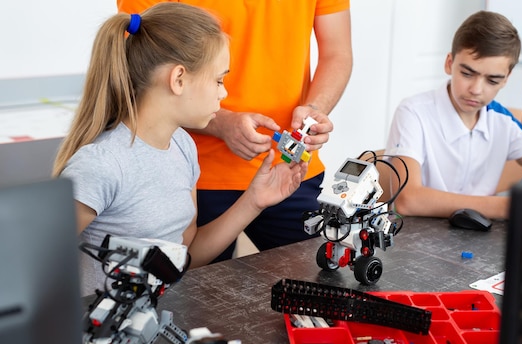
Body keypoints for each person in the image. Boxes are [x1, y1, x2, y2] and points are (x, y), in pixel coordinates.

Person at [52, 3, 307, 296]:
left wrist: (254, 201)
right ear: (178, 79)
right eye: (219, 80)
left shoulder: (183, 147)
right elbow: (30, 262)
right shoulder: (101, 165)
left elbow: (185, 258)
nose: (223, 93)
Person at [118, 0, 353, 262]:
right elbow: (143, 70)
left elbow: (337, 53)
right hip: (200, 175)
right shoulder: (111, 167)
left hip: (286, 174)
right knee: (198, 295)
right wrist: (222, 123)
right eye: (220, 81)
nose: (225, 92)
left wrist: (314, 109)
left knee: (320, 282)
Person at [384, 11, 522, 220]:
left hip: (476, 241)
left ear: (506, 79)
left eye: (493, 80)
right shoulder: (413, 112)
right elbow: (409, 200)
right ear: (449, 63)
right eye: (467, 74)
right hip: (417, 242)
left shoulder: (503, 122)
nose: (476, 89)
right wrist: (502, 207)